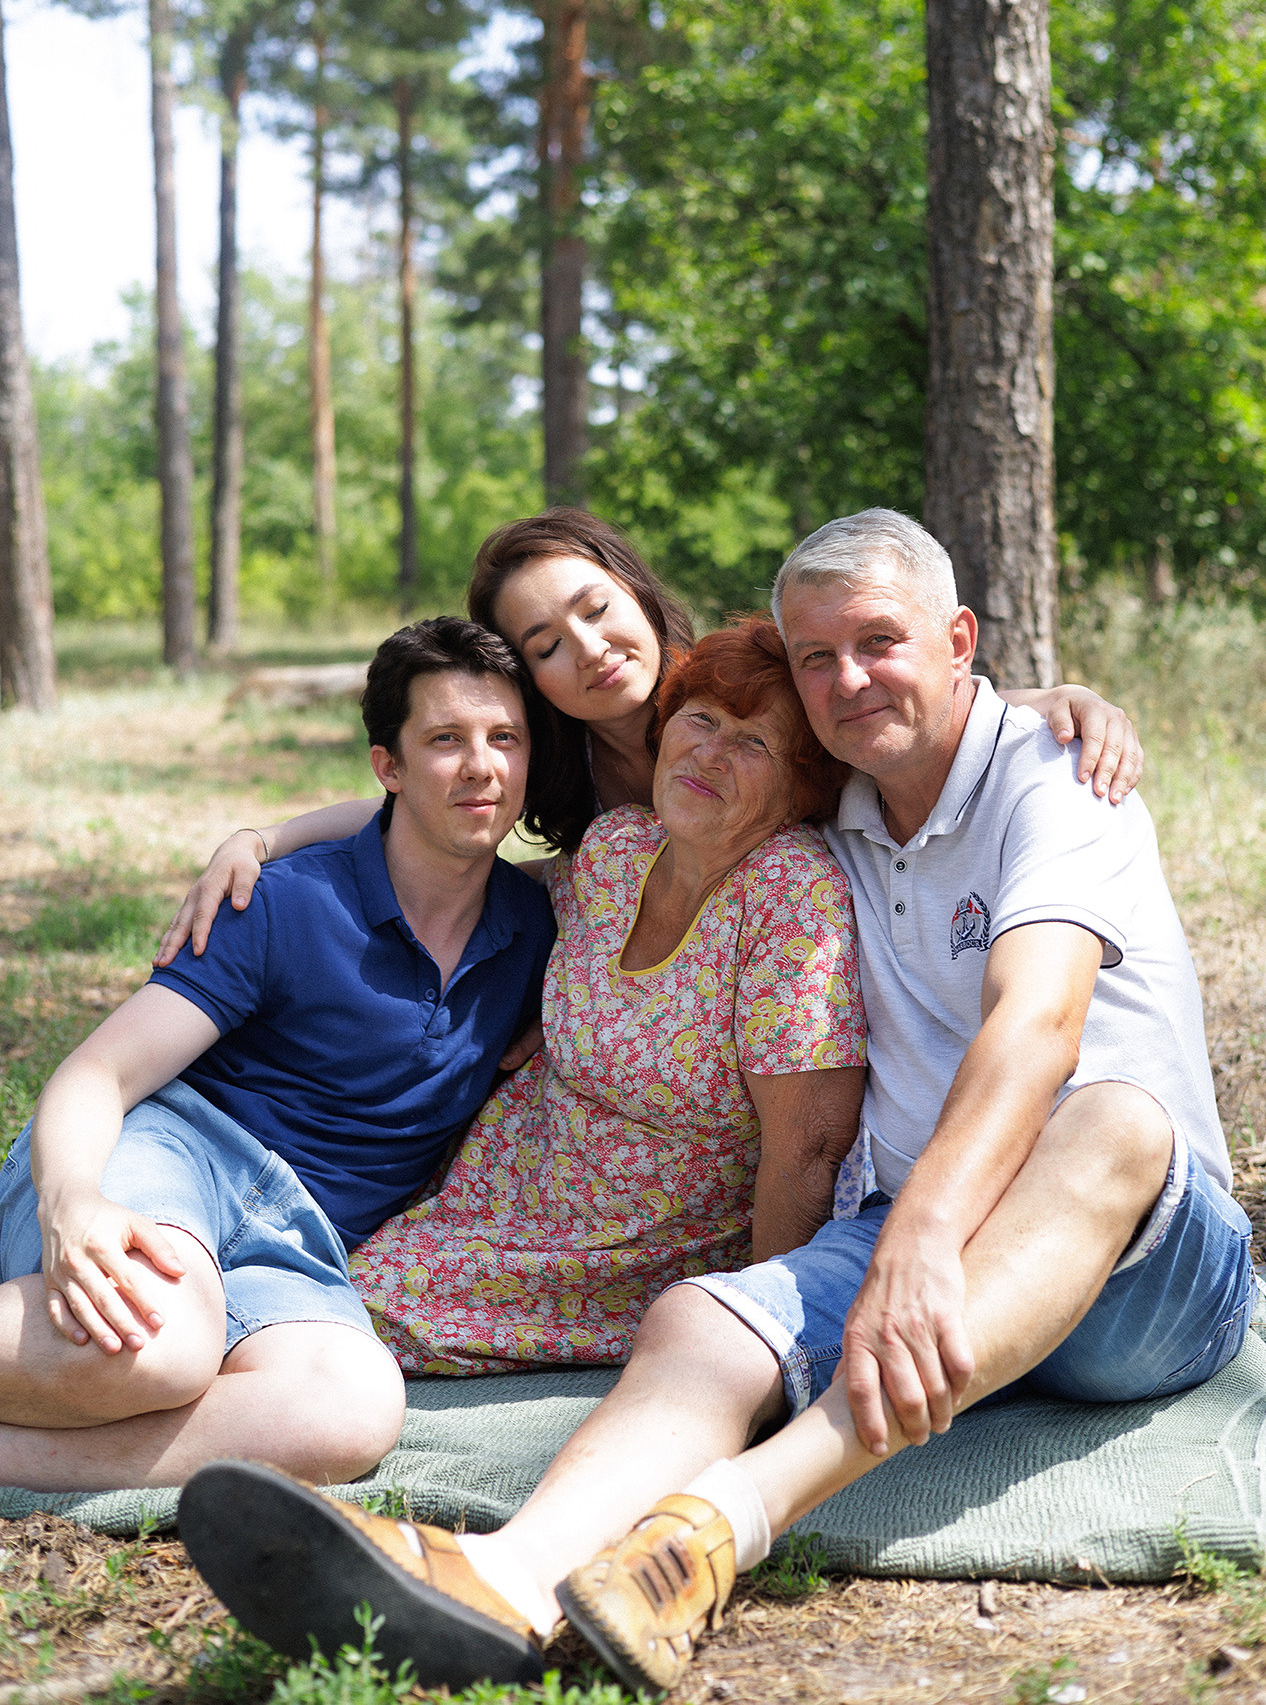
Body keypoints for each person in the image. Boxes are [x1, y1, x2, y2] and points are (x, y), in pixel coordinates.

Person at [178, 511, 1252, 1696]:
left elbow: (1037, 1025)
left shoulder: (1052, 782)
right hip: (899, 1223)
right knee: (697, 1318)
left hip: (1140, 1276)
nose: (848, 680)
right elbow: (480, 842)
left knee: (1113, 1117)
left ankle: (723, 1519)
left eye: (881, 643)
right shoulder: (829, 798)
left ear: (961, 640)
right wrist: (270, 835)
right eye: (818, 658)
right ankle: (511, 1574)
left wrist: (926, 1239)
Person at [0, 619, 557, 1492]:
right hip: (178, 1151)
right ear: (389, 766)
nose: (481, 766)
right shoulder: (283, 904)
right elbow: (97, 1074)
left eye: (504, 739)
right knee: (162, 1347)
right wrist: (71, 1202)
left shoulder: (538, 932)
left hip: (301, 1241)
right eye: (444, 740)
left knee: (352, 1410)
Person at [155, 509, 1145, 969]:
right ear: (527, 674)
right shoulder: (565, 763)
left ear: (634, 587)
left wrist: (1053, 697)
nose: (587, 648)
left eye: (595, 606)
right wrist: (263, 840)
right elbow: (428, 815)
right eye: (545, 641)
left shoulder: (734, 689)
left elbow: (884, 706)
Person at [349, 617, 865, 1375]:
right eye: (701, 719)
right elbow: (463, 868)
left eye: (754, 743)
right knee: (294, 1266)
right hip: (492, 1182)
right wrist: (267, 843)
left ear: (804, 783)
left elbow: (808, 1149)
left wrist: (763, 1335)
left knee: (340, 1315)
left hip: (618, 1250)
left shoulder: (790, 897)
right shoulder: (621, 847)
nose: (710, 754)